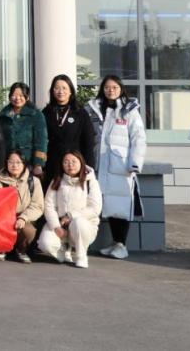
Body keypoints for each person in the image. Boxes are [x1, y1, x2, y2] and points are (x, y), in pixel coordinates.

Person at [88, 75, 147, 261]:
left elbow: (138, 138)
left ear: (121, 89)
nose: (111, 90)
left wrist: (135, 163)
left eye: (114, 87)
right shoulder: (94, 109)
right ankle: (113, 243)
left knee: (120, 206)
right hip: (99, 166)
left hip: (121, 168)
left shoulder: (129, 110)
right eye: (107, 87)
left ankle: (122, 244)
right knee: (104, 205)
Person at [38, 151, 102, 269]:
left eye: (74, 162)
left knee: (78, 223)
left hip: (84, 225)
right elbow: (49, 205)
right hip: (61, 224)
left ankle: (81, 255)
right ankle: (64, 250)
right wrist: (56, 227)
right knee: (45, 244)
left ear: (81, 163)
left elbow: (95, 208)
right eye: (66, 162)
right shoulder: (57, 180)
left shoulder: (90, 182)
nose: (70, 165)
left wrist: (71, 215)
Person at [41, 74, 96, 189]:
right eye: (57, 88)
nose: (60, 91)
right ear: (52, 91)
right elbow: (41, 140)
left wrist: (88, 166)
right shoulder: (46, 112)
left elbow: (88, 142)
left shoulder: (80, 112)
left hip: (75, 164)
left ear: (71, 91)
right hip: (53, 163)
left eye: (64, 88)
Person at [0, 150, 45, 263]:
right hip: (5, 217)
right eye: (11, 162)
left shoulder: (34, 181)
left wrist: (24, 217)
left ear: (24, 164)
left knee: (28, 230)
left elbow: (37, 205)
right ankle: (1, 247)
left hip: (24, 218)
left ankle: (21, 250)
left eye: (18, 162)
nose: (14, 165)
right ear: (6, 163)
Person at [0, 82, 48, 177]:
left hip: (28, 161)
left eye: (21, 95)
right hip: (9, 162)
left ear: (27, 97)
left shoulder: (36, 114)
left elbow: (41, 141)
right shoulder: (3, 115)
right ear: (9, 97)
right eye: (14, 95)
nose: (17, 98)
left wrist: (38, 163)